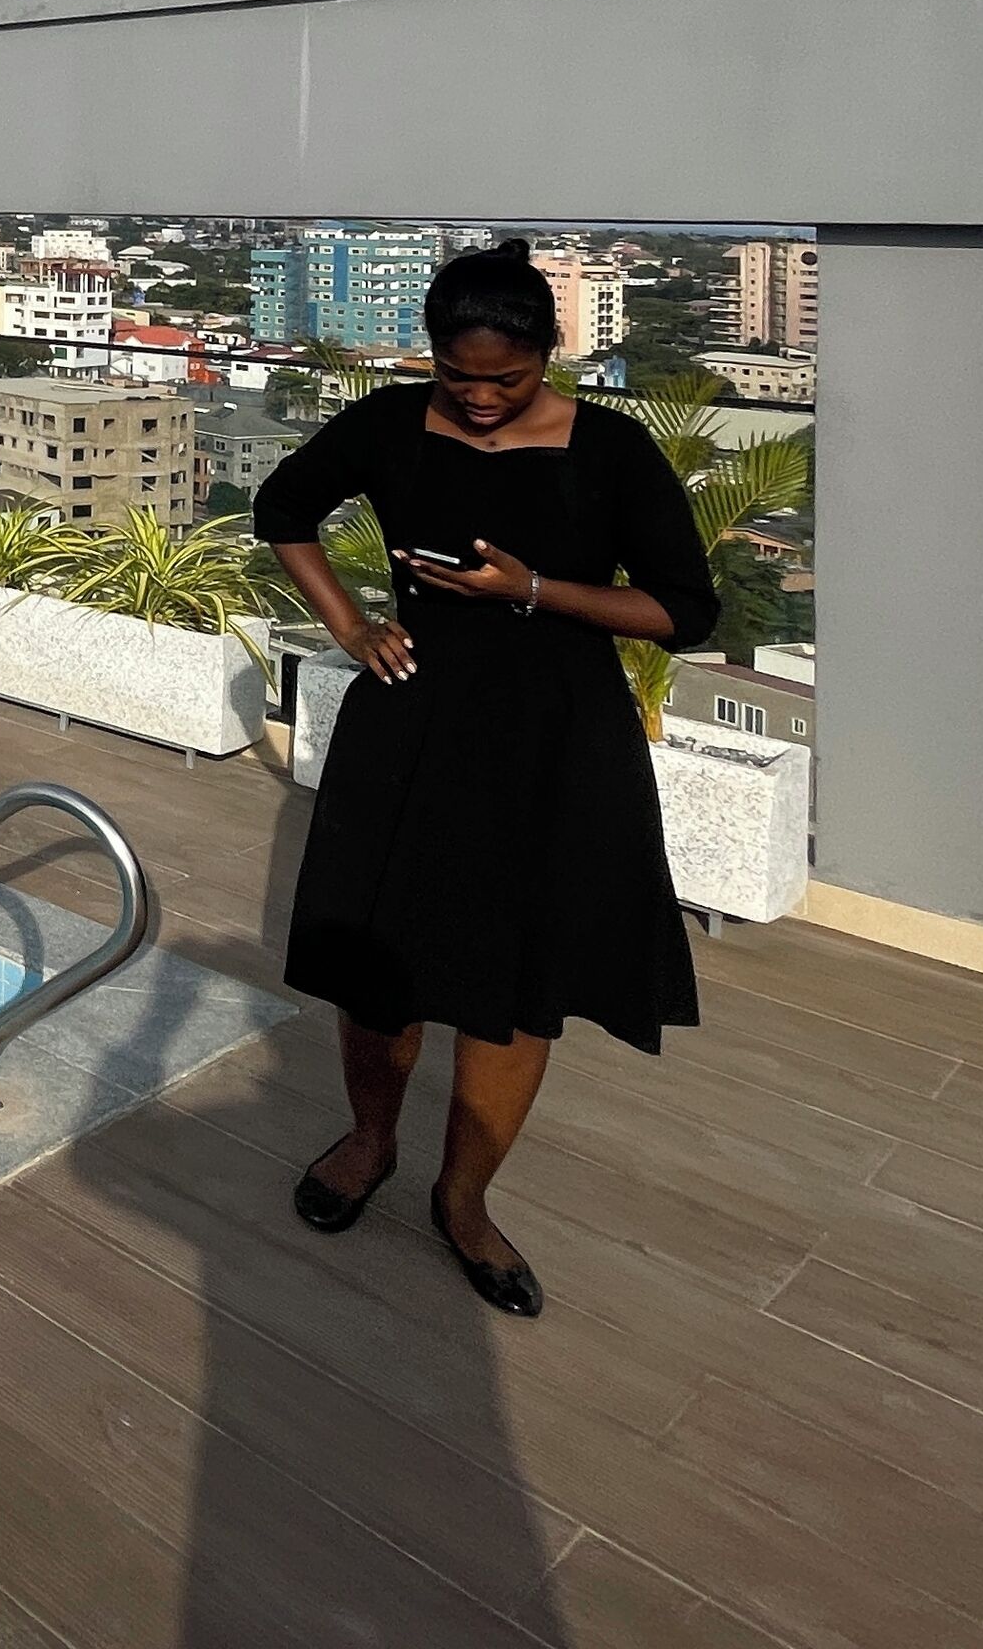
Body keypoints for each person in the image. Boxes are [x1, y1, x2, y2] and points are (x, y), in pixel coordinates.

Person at [250, 237, 717, 1321]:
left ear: (550, 352)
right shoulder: (388, 424)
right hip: (411, 725)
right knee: (382, 972)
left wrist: (532, 589)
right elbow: (284, 509)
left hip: (558, 742)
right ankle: (370, 1143)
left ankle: (464, 1200)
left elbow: (683, 611)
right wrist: (351, 626)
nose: (480, 398)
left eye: (506, 379)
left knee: (516, 991)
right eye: (457, 375)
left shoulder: (611, 449)